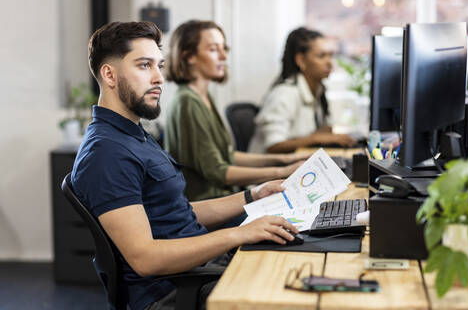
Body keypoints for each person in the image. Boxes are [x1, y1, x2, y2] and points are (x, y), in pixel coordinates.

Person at [71, 21, 299, 310]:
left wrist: (252, 196)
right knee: (294, 292)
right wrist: (238, 234)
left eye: (159, 66)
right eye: (144, 66)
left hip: (199, 269)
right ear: (109, 75)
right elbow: (146, 258)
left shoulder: (133, 134)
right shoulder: (106, 153)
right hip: (173, 293)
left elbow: (177, 213)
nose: (158, 78)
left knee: (298, 266)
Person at [164, 20, 308, 201]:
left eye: (224, 48)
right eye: (214, 49)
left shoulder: (202, 96)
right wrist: (282, 172)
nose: (224, 56)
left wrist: (284, 160)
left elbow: (227, 156)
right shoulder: (187, 102)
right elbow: (218, 171)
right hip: (210, 205)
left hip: (224, 198)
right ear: (189, 56)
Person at [249, 27, 357, 154]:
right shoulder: (284, 94)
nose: (329, 63)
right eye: (321, 56)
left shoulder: (318, 90)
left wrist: (323, 135)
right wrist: (315, 138)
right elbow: (273, 145)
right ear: (301, 60)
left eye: (330, 55)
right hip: (272, 169)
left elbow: (323, 131)